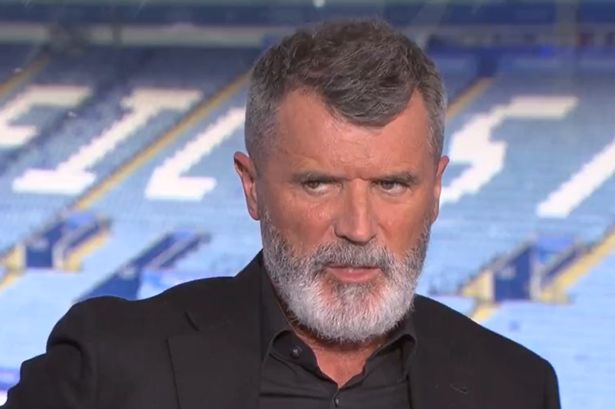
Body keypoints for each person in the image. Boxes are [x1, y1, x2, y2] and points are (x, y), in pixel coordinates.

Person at [3, 19, 560, 409]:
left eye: (392, 185)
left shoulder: (516, 388)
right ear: (252, 187)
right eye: (318, 184)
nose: (358, 228)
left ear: (435, 192)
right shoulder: (107, 368)